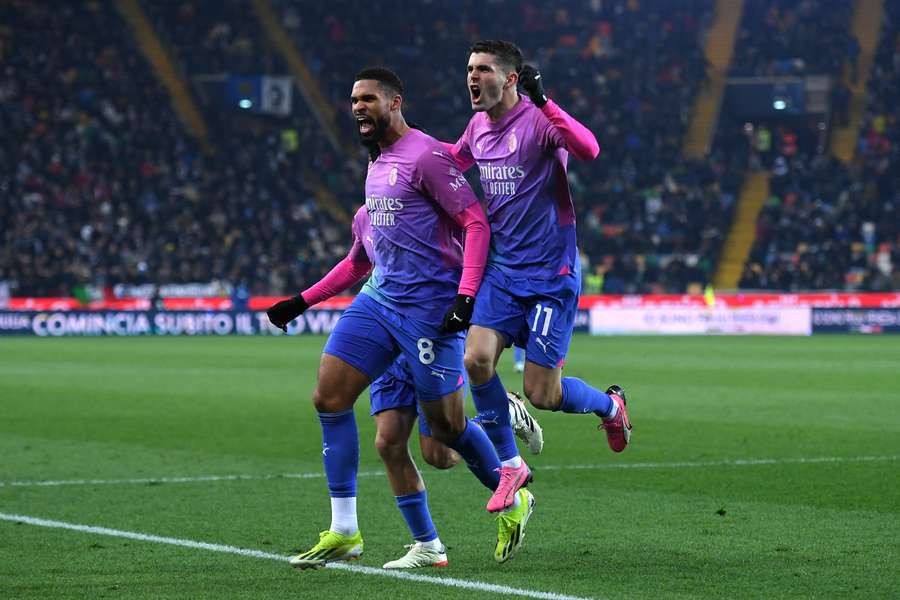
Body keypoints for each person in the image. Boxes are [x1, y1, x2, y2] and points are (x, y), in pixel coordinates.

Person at [267, 67, 534, 569]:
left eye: (367, 98)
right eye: (352, 100)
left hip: (429, 312)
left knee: (446, 432)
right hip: (379, 301)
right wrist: (301, 301)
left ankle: (511, 485)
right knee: (330, 397)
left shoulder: (426, 155)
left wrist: (465, 296)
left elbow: (475, 222)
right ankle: (344, 530)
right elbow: (360, 261)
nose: (357, 107)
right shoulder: (376, 166)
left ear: (394, 102)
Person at [441, 40, 633, 512]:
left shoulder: (539, 121)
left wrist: (546, 101)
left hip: (551, 273)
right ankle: (511, 465)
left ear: (509, 78)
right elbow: (450, 161)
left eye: (482, 68)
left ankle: (610, 406)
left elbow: (588, 149)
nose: (471, 76)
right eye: (468, 68)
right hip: (504, 271)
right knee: (476, 360)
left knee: (541, 394)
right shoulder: (477, 126)